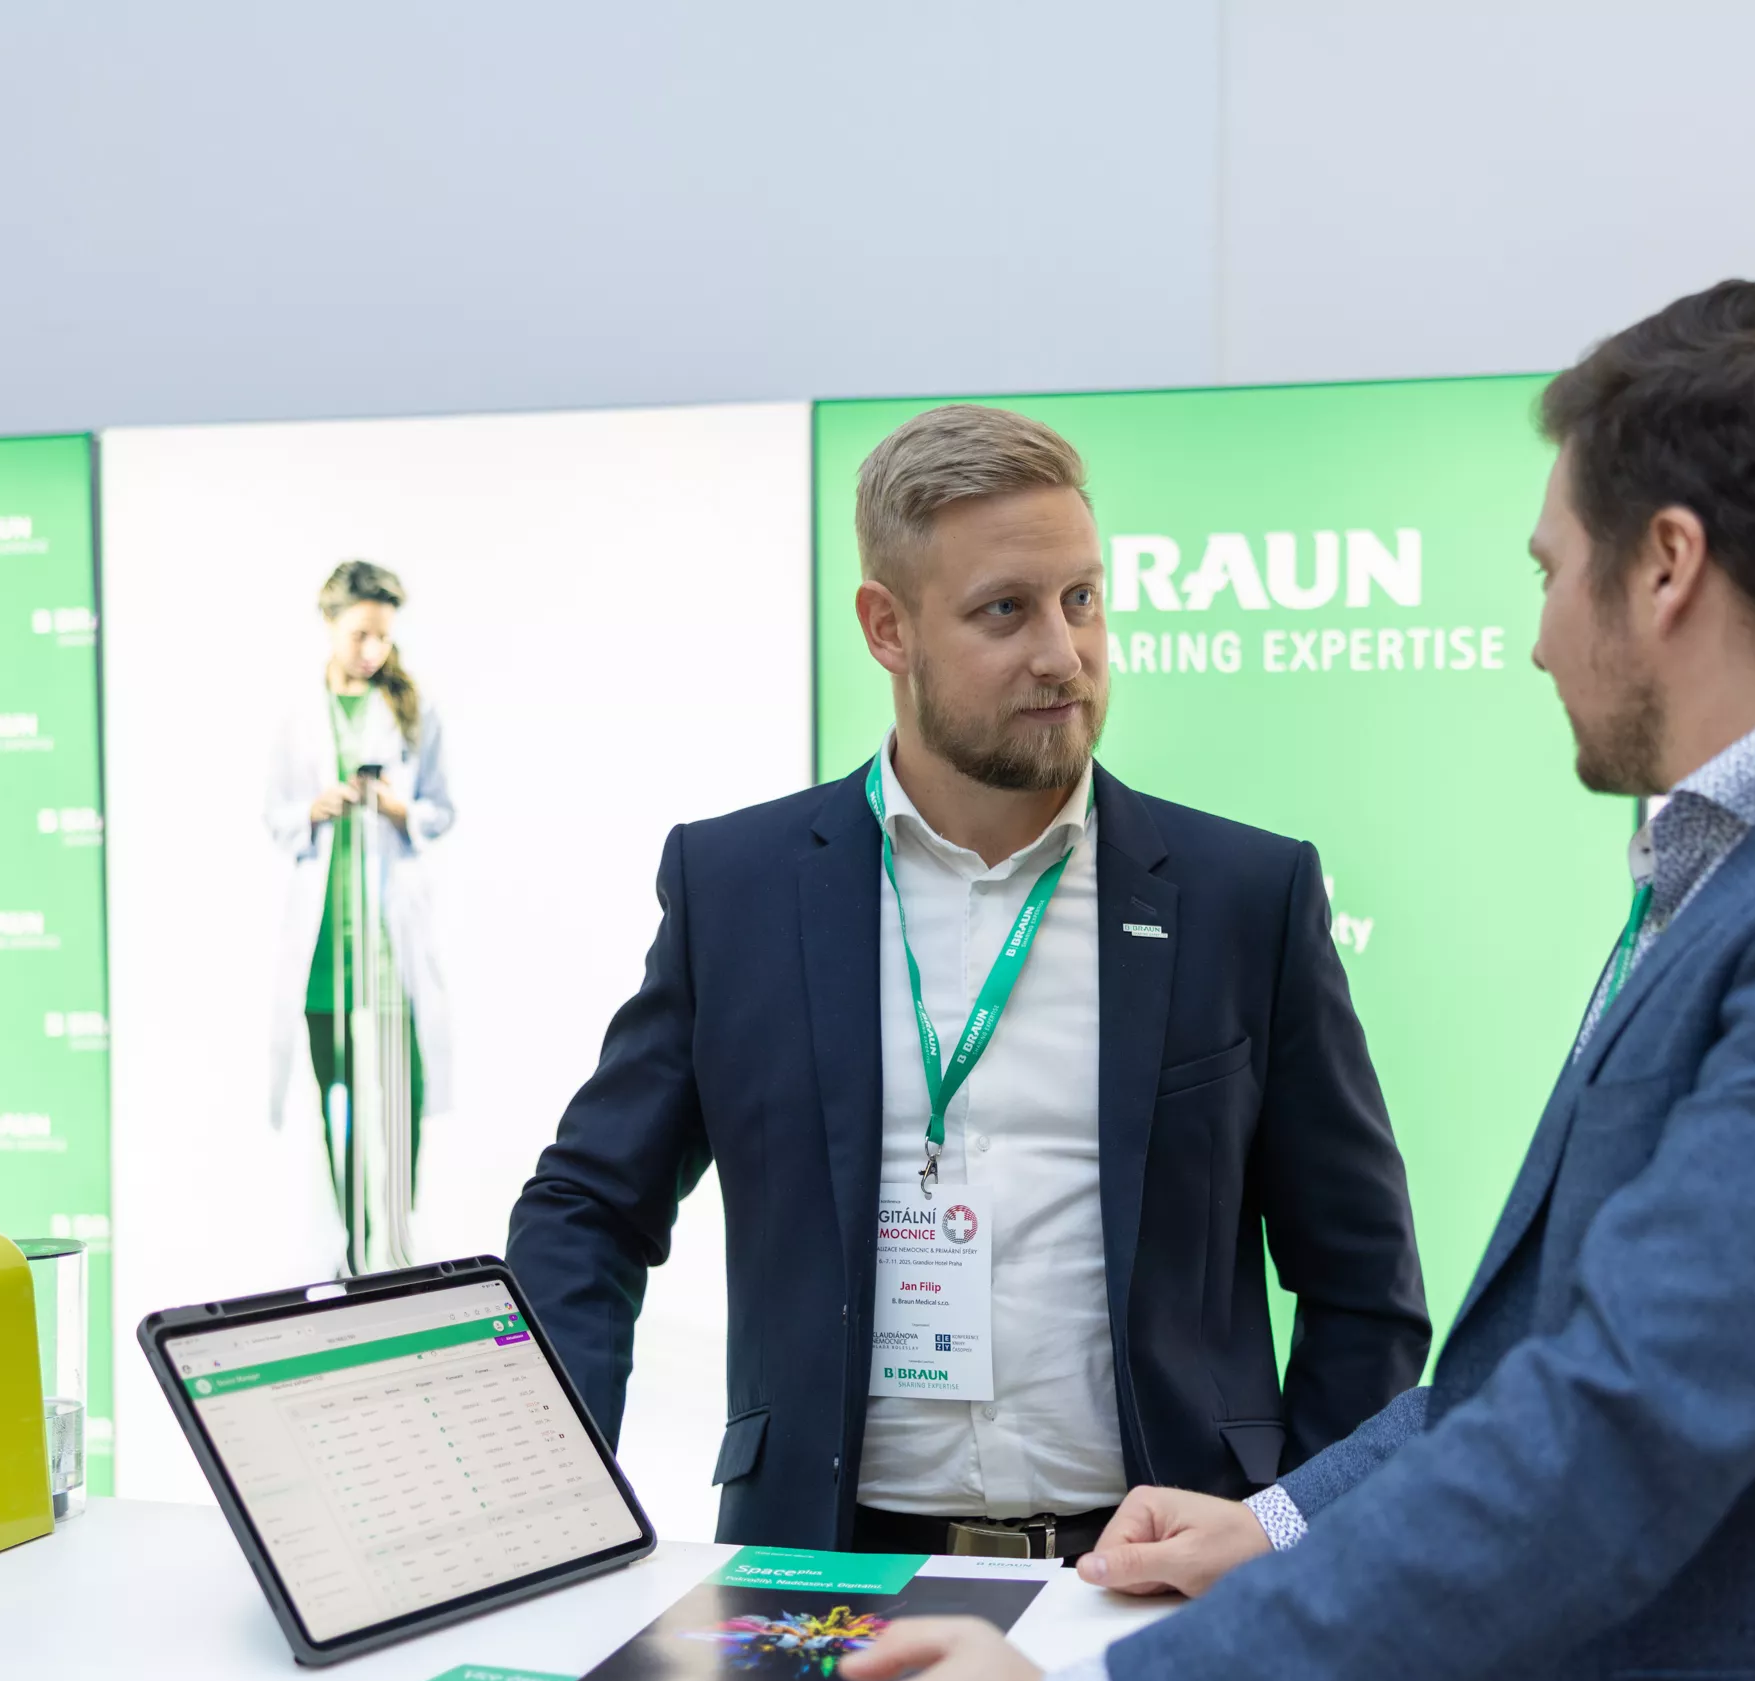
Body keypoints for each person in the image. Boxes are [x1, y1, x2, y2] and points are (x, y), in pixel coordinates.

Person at [802, 281, 1755, 1681]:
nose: (1537, 638)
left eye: (1553, 572)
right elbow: (1557, 1361)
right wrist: (1282, 1522)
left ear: (1668, 566)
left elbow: (1620, 1418)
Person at [506, 404, 1431, 1562]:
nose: (1062, 653)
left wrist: (1291, 1542)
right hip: (821, 1572)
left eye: (1081, 598)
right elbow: (589, 1209)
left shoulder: (1242, 894)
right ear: (887, 627)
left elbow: (1362, 1280)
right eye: (1005, 609)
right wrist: (541, 1507)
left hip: (1153, 1581)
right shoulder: (737, 887)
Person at [265, 560, 455, 1276]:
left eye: (383, 636)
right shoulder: (298, 715)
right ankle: (346, 1248)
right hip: (324, 951)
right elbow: (274, 814)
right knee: (334, 1108)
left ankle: (397, 1246)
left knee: (399, 1104)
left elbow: (443, 808)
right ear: (329, 624)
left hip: (386, 948)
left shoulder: (413, 709)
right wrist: (314, 809)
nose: (373, 649)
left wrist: (399, 808)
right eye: (360, 634)